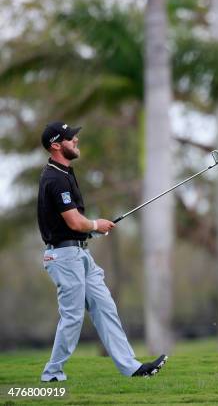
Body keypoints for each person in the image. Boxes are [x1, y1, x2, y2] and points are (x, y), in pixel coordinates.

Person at [38, 121, 167, 382]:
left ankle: (131, 367)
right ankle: (52, 374)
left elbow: (72, 224)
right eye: (70, 138)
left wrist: (91, 230)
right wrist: (95, 224)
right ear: (55, 145)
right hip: (64, 258)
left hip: (79, 254)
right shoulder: (54, 178)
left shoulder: (64, 173)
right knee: (73, 317)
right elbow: (74, 222)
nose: (75, 140)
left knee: (105, 307)